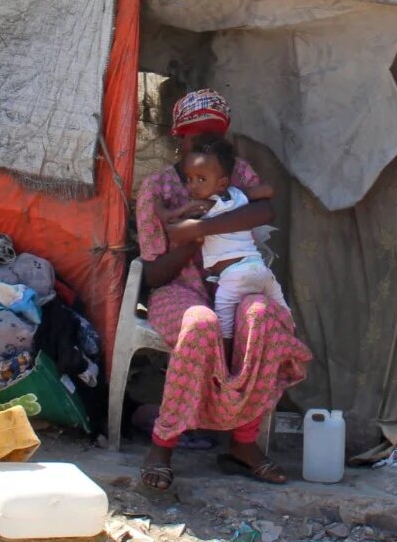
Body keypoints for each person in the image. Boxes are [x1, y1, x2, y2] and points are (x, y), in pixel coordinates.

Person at [133, 90, 311, 491]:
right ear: (179, 138)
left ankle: (243, 443)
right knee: (201, 324)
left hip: (235, 281)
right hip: (178, 290)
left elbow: (263, 209)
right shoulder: (158, 188)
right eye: (197, 137)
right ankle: (163, 444)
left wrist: (202, 227)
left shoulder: (235, 171)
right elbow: (155, 275)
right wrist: (192, 243)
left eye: (214, 136)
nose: (206, 145)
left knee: (263, 317)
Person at [173, 138, 287, 361]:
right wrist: (239, 193)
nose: (192, 186)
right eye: (189, 179)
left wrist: (165, 211)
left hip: (234, 277)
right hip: (261, 270)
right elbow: (268, 190)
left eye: (201, 179)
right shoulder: (237, 196)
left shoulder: (202, 206)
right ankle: (290, 356)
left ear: (222, 182)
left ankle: (223, 368)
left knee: (224, 328)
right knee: (284, 318)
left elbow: (174, 227)